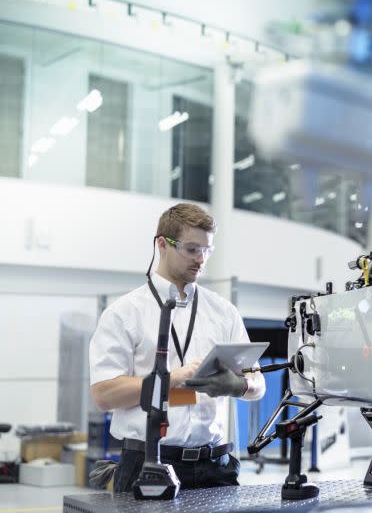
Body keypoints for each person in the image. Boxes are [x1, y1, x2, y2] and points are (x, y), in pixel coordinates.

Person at [89, 203, 266, 492]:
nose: (201, 260)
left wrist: (237, 386)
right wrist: (173, 380)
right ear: (162, 244)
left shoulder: (224, 312)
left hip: (216, 468)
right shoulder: (124, 313)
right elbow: (104, 395)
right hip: (148, 463)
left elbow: (258, 384)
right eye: (192, 249)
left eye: (207, 250)